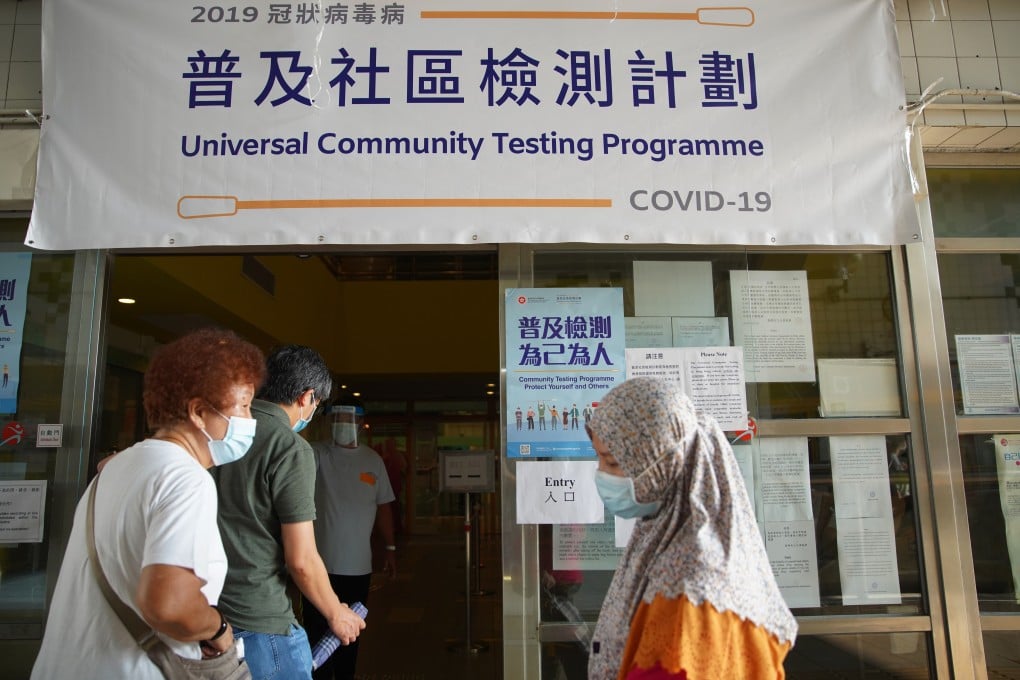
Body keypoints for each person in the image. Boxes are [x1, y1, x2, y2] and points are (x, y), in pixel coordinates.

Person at [31, 328, 265, 678]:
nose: (249, 420)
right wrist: (217, 629)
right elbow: (169, 604)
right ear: (199, 412)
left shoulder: (115, 468)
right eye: (243, 406)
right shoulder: (186, 478)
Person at [585, 376, 797, 679]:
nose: (601, 475)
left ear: (664, 462)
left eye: (613, 462)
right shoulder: (666, 532)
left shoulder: (688, 587)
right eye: (599, 459)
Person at [213, 345, 365, 679]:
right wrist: (335, 613)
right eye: (317, 404)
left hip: (209, 618)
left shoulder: (216, 433)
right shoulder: (289, 447)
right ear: (306, 397)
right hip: (261, 623)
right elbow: (301, 559)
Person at [304, 396, 397, 680]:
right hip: (318, 567)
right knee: (317, 635)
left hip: (358, 567)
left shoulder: (372, 460)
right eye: (339, 419)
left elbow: (384, 507)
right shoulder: (317, 454)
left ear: (360, 423)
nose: (344, 424)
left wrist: (390, 547)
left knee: (350, 636)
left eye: (350, 419)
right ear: (330, 422)